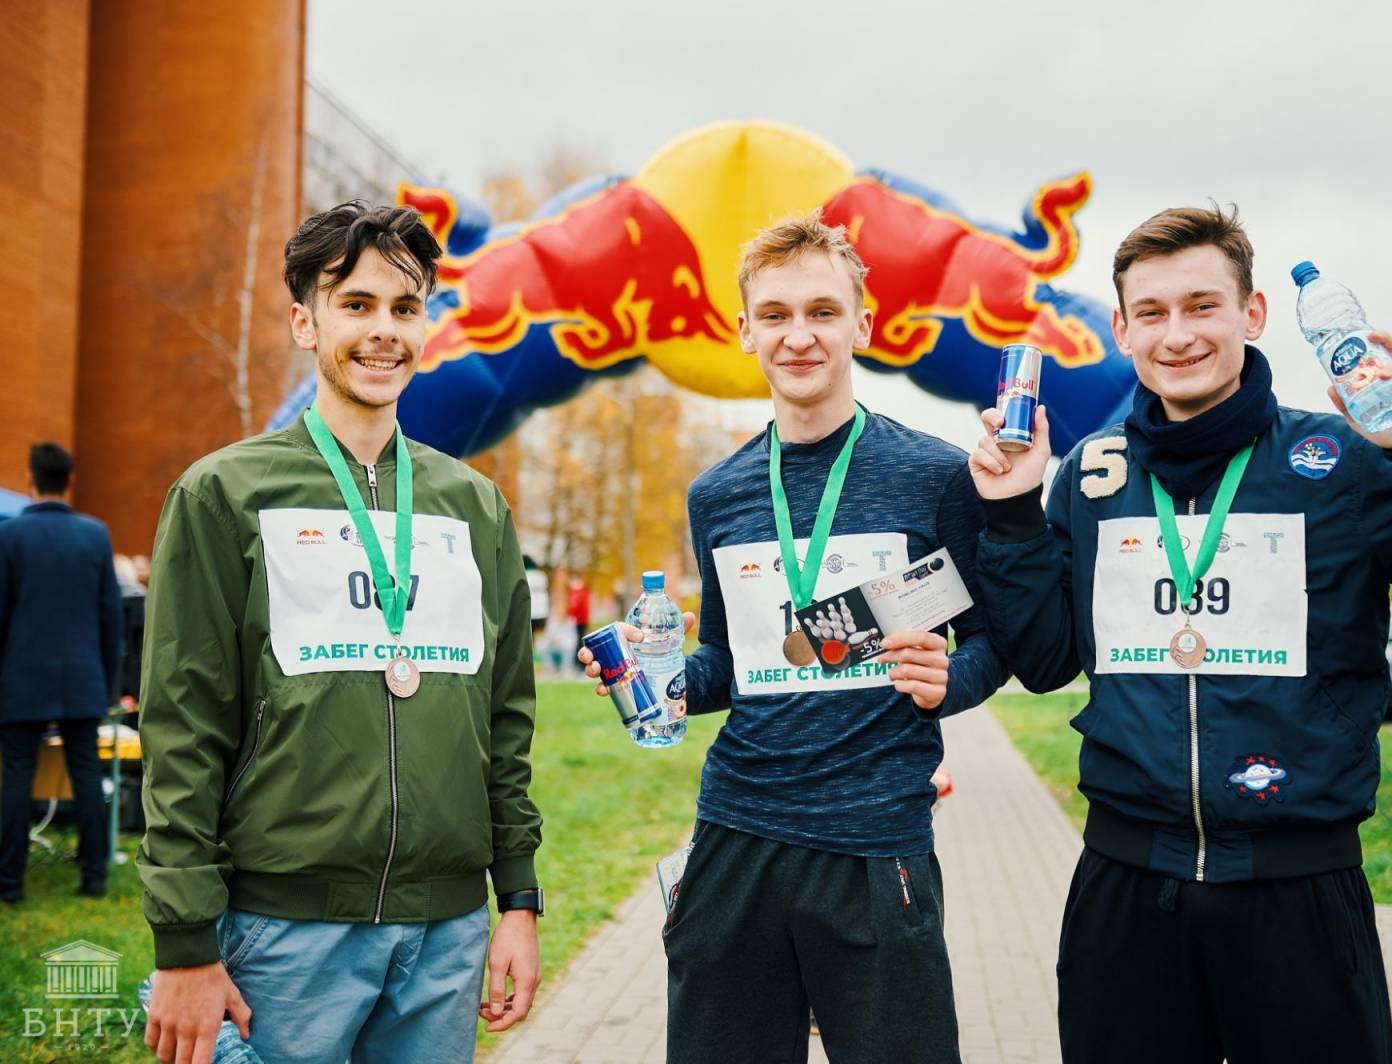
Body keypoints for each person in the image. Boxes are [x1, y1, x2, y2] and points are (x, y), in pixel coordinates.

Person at [967, 204, 1392, 1063]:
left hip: (1300, 894)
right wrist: (1013, 516)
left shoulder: (1341, 462)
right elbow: (1047, 661)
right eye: (1154, 314)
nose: (1179, 335)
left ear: (1253, 314)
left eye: (1203, 305)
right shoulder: (1092, 474)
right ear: (1122, 330)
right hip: (1127, 893)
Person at [582, 211, 1006, 1063]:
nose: (799, 336)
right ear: (744, 330)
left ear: (863, 323)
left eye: (821, 311)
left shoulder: (935, 475)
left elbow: (1002, 640)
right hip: (736, 835)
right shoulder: (719, 493)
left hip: (875, 840)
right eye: (775, 315)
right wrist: (656, 675)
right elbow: (737, 666)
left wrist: (947, 683)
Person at [138, 201, 543, 1064]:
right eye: (356, 304)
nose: (383, 331)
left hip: (446, 933)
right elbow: (183, 724)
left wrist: (518, 899)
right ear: (303, 320)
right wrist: (185, 940)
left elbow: (506, 721)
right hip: (285, 933)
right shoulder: (223, 494)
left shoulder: (475, 506)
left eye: (405, 308)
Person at [0, 442, 122, 903]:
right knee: (86, 776)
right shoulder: (95, 536)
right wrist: (107, 682)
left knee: (17, 778)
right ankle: (94, 879)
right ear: (69, 481)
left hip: (20, 680)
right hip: (82, 680)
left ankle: (9, 886)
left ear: (31, 478)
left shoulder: (9, 537)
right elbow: (111, 619)